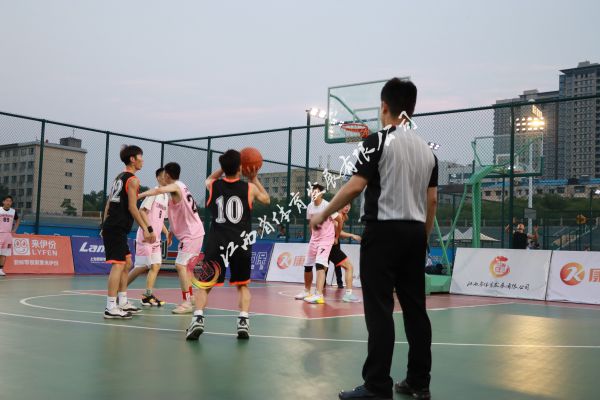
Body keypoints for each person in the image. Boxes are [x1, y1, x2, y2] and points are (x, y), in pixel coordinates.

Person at [310, 78, 436, 399]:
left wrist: (324, 214)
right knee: (416, 310)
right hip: (415, 233)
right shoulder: (427, 150)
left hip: (383, 232)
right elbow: (432, 200)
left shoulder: (377, 141)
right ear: (411, 109)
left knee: (380, 309)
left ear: (384, 106)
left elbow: (355, 186)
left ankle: (377, 385)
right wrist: (422, 238)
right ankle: (419, 381)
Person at [186, 149, 270, 340]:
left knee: (204, 285)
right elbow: (266, 199)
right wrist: (253, 177)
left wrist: (223, 168)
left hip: (218, 243)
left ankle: (198, 318)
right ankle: (243, 320)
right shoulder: (249, 188)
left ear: (224, 167)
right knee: (243, 286)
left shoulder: (213, 185)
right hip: (241, 243)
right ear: (240, 168)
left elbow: (209, 178)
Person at [138, 162, 205, 314]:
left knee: (180, 266)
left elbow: (158, 190)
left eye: (164, 175)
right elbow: (180, 213)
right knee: (186, 267)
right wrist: (170, 231)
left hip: (191, 235)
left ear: (167, 175)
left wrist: (139, 195)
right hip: (195, 232)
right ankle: (191, 298)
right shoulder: (181, 188)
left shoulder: (176, 186)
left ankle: (186, 303)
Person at [101, 145, 156, 319]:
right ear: (132, 159)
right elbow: (133, 208)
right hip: (116, 226)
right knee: (118, 264)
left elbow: (109, 203)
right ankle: (111, 306)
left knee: (127, 262)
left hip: (114, 226)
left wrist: (103, 224)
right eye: (141, 157)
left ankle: (123, 301)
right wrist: (146, 228)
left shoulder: (119, 177)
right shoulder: (132, 180)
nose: (142, 160)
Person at [127, 167, 172, 306]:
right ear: (158, 178)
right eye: (164, 176)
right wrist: (149, 229)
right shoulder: (154, 193)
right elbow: (142, 211)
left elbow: (160, 219)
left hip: (156, 239)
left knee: (156, 265)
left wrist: (166, 233)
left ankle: (147, 296)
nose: (167, 178)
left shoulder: (166, 197)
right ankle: (119, 290)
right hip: (146, 236)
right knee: (142, 266)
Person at [295, 183, 343, 304]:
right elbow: (311, 222)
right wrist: (312, 236)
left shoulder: (328, 206)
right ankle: (307, 291)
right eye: (312, 191)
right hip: (314, 239)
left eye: (316, 191)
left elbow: (340, 220)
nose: (313, 193)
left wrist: (336, 237)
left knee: (320, 264)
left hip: (326, 239)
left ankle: (319, 295)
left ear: (321, 194)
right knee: (307, 265)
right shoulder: (310, 206)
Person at [329, 204, 361, 302]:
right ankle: (348, 295)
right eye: (345, 205)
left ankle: (316, 293)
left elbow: (338, 233)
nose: (347, 207)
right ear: (340, 206)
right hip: (330, 245)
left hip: (331, 245)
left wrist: (339, 236)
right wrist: (352, 235)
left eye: (349, 206)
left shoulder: (342, 217)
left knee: (322, 268)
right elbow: (339, 232)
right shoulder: (337, 216)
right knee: (349, 267)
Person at [0, 195, 20, 276]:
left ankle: (0, 269)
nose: (8, 202)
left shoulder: (13, 211)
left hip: (8, 235)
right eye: (7, 201)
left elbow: (17, 220)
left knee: (4, 253)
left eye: (10, 201)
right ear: (3, 202)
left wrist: (14, 230)